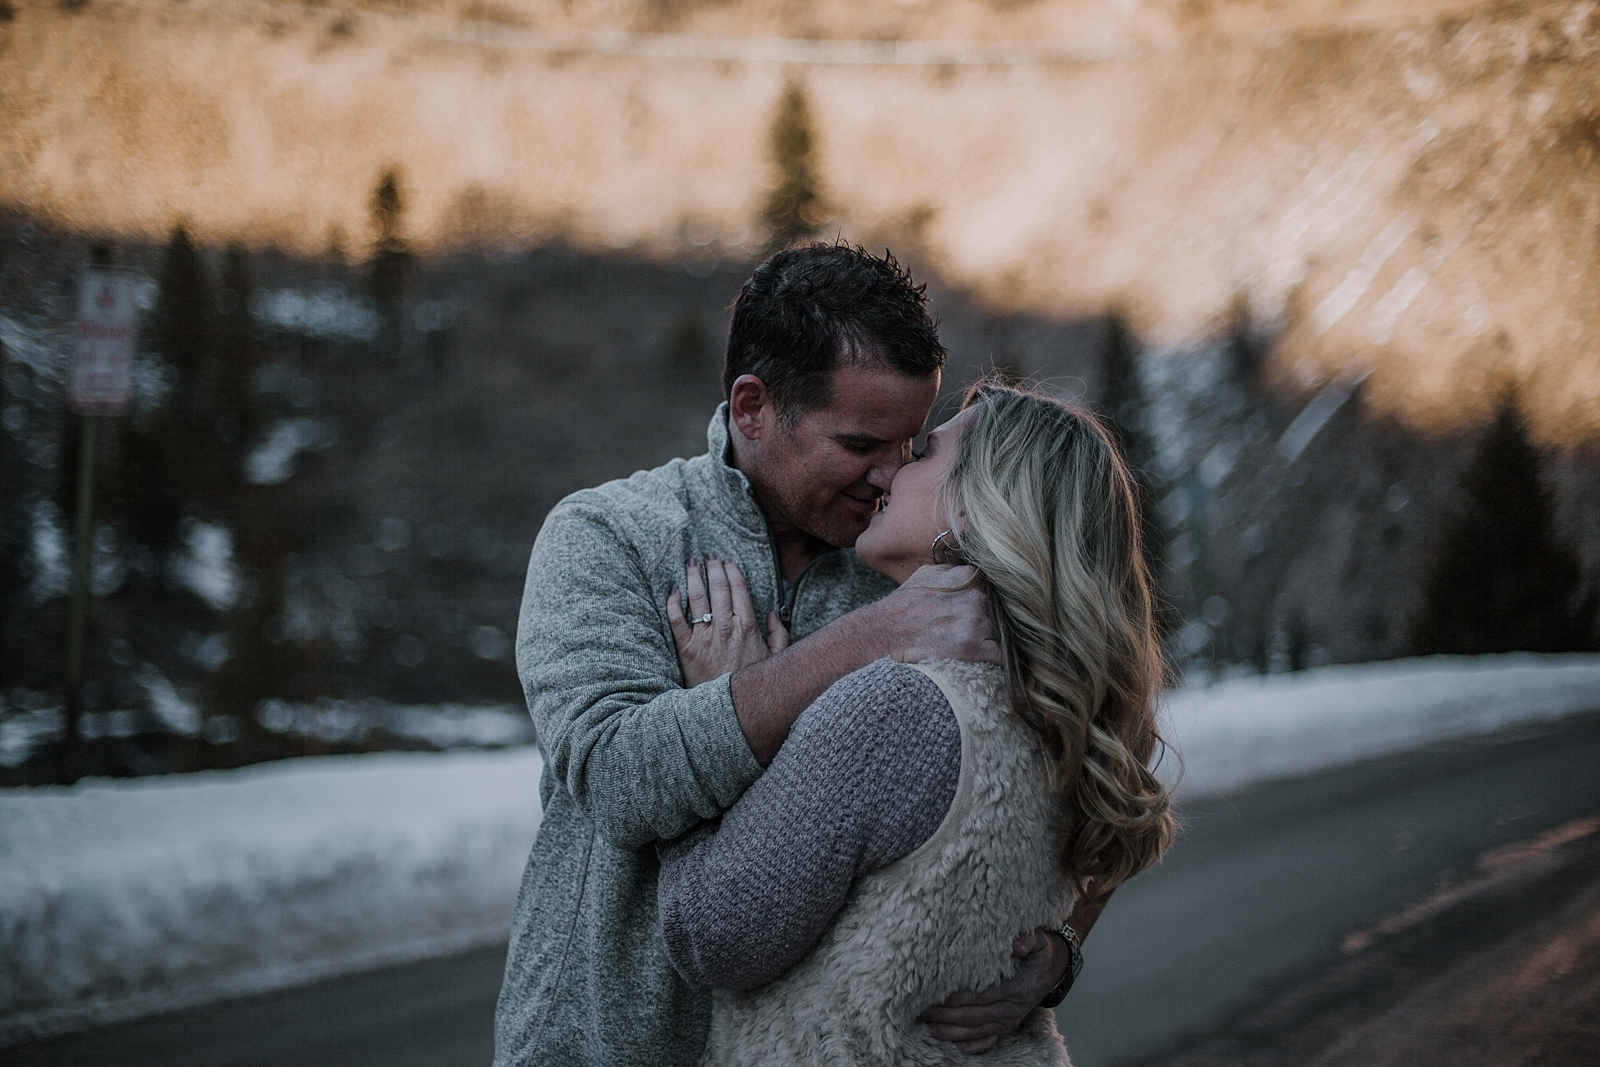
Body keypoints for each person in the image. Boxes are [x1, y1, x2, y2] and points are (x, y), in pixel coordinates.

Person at [493, 245, 1077, 1067]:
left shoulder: (912, 566)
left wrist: (1054, 954)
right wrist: (864, 644)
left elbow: (1082, 777)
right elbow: (617, 777)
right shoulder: (607, 536)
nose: (890, 475)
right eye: (862, 442)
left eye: (911, 445)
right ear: (753, 407)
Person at [656, 383, 1176, 1065]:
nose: (890, 472)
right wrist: (1060, 951)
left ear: (975, 505)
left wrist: (722, 711)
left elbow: (709, 936)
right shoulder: (1059, 705)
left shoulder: (896, 711)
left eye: (923, 451)